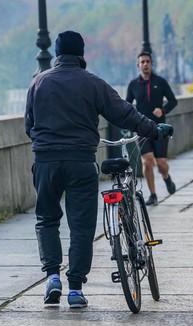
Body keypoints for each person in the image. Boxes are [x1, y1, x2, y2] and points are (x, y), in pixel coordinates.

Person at [25, 30, 173, 309]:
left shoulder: (39, 83)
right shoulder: (92, 83)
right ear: (82, 54)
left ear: (57, 53)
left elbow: (28, 126)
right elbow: (124, 113)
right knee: (81, 226)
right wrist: (153, 130)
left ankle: (53, 277)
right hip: (80, 160)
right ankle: (76, 289)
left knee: (47, 219)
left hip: (45, 160)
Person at [126, 51, 178, 206]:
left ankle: (167, 178)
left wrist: (163, 110)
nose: (145, 64)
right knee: (147, 162)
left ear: (152, 64)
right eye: (142, 62)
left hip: (160, 128)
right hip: (141, 128)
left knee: (161, 164)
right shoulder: (133, 85)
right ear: (138, 65)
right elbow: (127, 106)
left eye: (147, 61)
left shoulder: (160, 82)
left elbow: (173, 101)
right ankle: (153, 194)